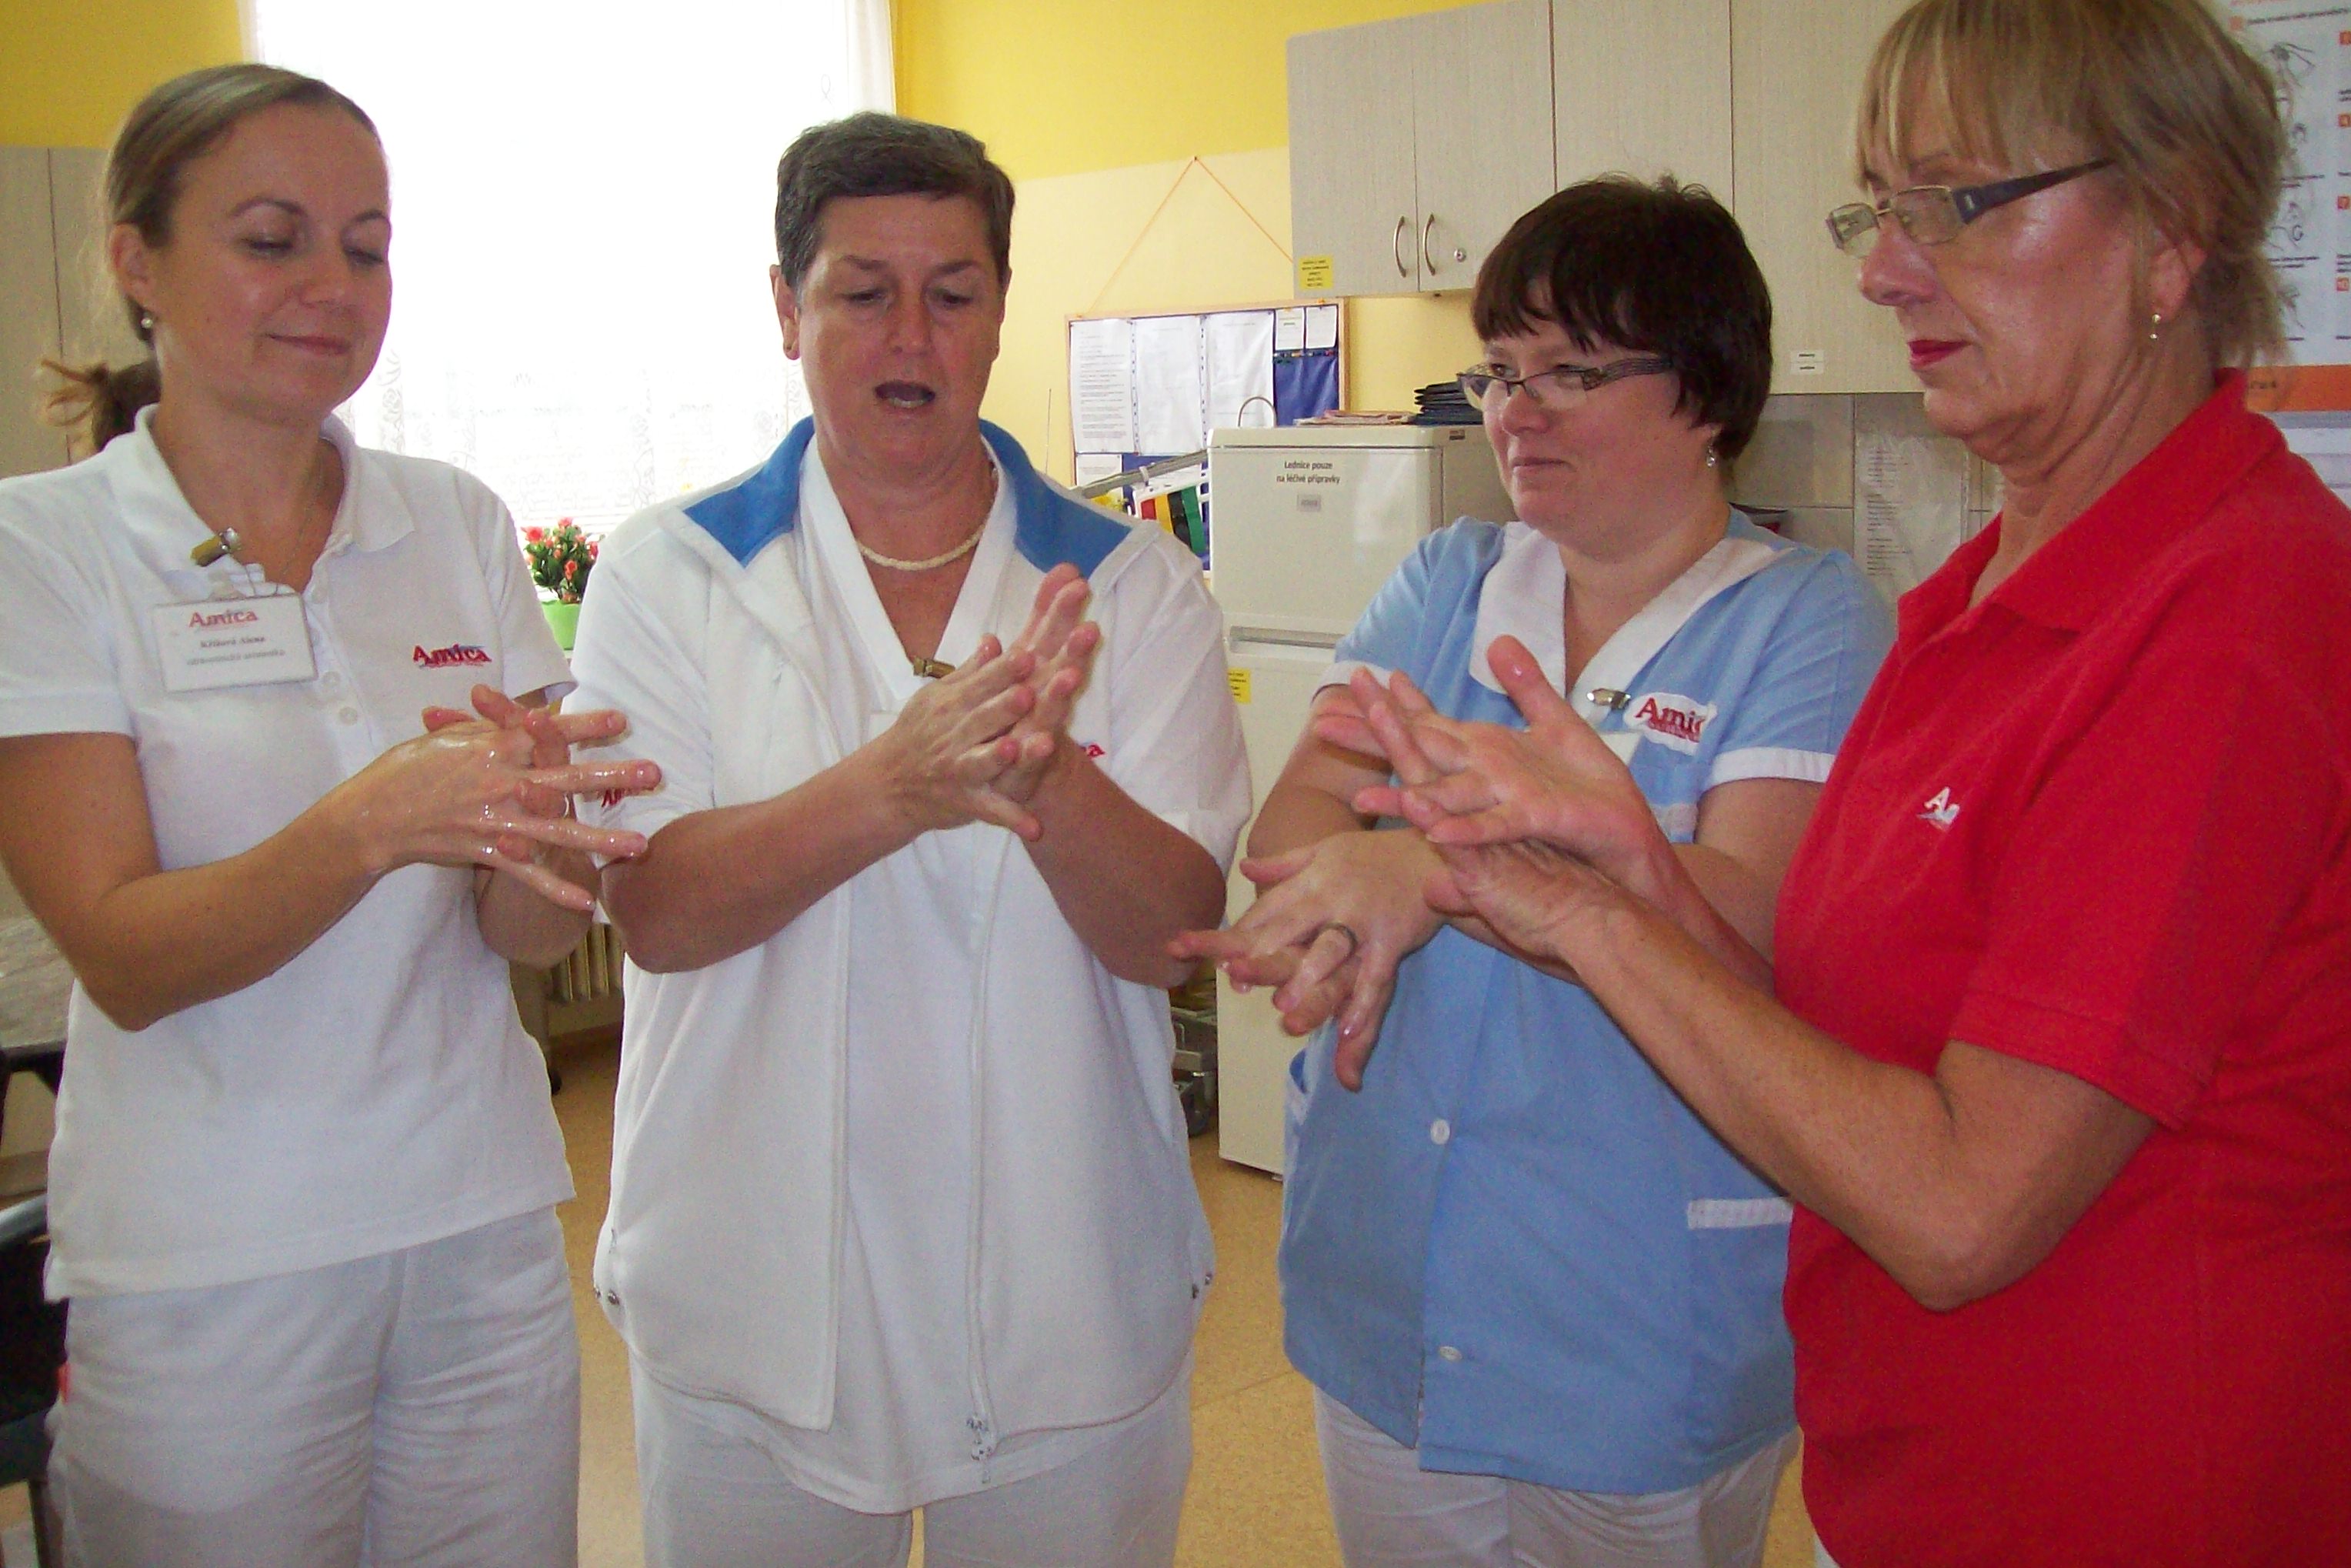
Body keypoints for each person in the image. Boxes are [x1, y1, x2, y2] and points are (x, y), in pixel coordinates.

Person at [1328, 2, 2351, 1563]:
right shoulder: (1973, 602)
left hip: (2128, 1491)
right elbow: (1826, 1030)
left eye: (1960, 202)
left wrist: (1588, 921)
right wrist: (1633, 867)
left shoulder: (2226, 622)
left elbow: (1960, 1210)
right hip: (1918, 1471)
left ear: (2171, 232)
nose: (1883, 270)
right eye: (1880, 209)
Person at [565, 111, 1249, 1568]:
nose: (912, 338)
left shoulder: (1134, 586)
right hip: (754, 1298)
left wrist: (1050, 779)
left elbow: (1174, 938)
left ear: (999, 310)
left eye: (953, 293)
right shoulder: (670, 575)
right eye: (863, 292)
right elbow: (661, 913)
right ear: (785, 308)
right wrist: (895, 782)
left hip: (1064, 1296)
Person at [1176, 178, 1891, 1568]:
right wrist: (1375, 876)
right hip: (1388, 1285)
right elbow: (1297, 830)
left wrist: (1423, 876)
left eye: (1571, 373)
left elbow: (1751, 920)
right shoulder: (1446, 581)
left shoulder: (1807, 623)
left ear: (1706, 391)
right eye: (1502, 372)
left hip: (1633, 1312)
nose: (1518, 413)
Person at [0, 64, 660, 1566]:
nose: (332, 285)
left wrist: (550, 830)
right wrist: (375, 818)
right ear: (137, 262)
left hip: (475, 1227)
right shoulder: (45, 548)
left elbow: (519, 933)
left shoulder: (452, 518)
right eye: (272, 238)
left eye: (367, 246)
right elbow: (125, 957)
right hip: (207, 1262)